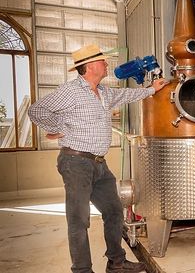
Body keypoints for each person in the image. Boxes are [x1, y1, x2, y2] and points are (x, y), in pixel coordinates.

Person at [28, 44, 166, 273]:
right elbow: (37, 111)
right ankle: (82, 270)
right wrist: (58, 128)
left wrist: (152, 89)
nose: (106, 64)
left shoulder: (104, 92)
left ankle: (117, 263)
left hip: (99, 164)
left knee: (113, 212)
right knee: (79, 220)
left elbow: (127, 94)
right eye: (102, 61)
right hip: (75, 163)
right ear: (90, 66)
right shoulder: (71, 91)